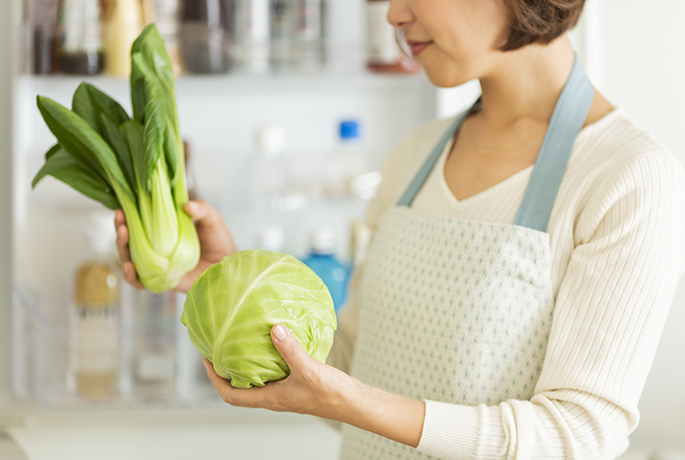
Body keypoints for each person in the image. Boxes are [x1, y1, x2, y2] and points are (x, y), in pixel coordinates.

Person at [115, 0, 685, 458]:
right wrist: (227, 282)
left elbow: (579, 437)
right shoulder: (411, 158)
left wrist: (355, 403)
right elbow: (353, 365)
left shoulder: (625, 176)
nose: (392, 13)